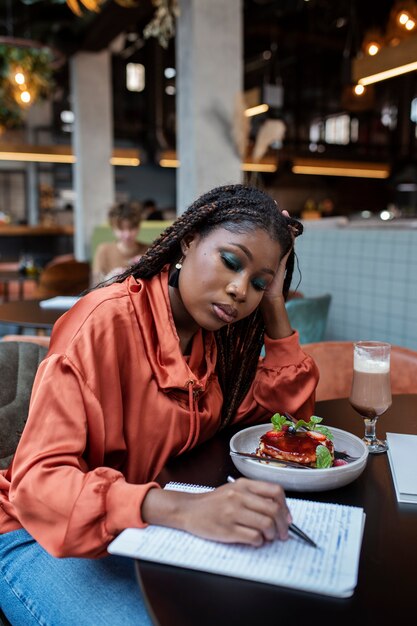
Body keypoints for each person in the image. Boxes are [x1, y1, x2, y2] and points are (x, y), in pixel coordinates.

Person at [0, 184, 319, 625]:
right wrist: (184, 510)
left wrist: (275, 305)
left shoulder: (213, 339)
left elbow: (286, 421)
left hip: (135, 526)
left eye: (258, 283)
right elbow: (39, 484)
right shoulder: (104, 322)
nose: (238, 289)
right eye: (231, 261)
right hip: (33, 532)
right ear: (189, 240)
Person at [92, 200, 149, 285]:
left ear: (138, 226)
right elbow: (95, 286)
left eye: (132, 228)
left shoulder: (148, 250)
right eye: (121, 229)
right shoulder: (104, 250)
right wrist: (109, 279)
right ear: (113, 229)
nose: (127, 234)